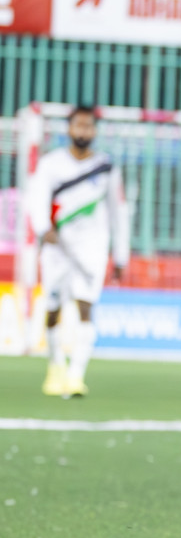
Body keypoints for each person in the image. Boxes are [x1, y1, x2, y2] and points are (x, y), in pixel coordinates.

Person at [26, 105, 129, 398]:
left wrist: (120, 255)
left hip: (92, 247)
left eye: (89, 126)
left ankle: (76, 375)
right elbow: (38, 198)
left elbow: (118, 211)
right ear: (69, 129)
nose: (83, 131)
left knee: (86, 305)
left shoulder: (107, 167)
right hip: (57, 246)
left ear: (95, 131)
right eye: (78, 125)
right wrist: (44, 227)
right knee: (53, 307)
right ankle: (55, 365)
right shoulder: (51, 164)